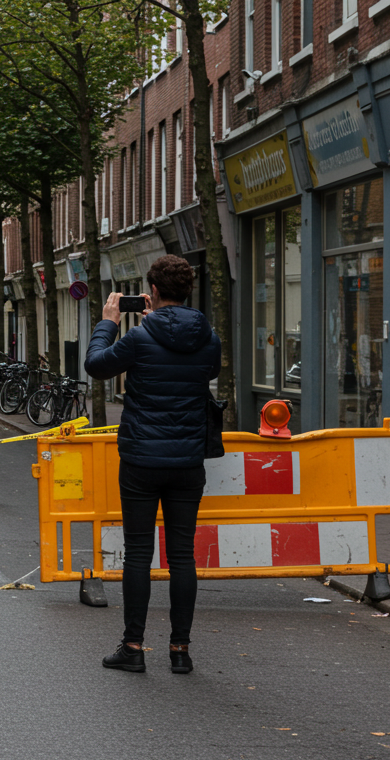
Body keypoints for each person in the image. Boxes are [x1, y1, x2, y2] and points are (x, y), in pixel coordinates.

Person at [84, 255, 221, 675]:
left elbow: (96, 365)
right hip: (187, 460)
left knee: (139, 554)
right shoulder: (209, 338)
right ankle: (180, 650)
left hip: (142, 458)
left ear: (153, 292)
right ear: (187, 291)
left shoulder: (139, 338)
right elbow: (205, 371)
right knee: (182, 555)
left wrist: (109, 321)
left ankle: (133, 647)